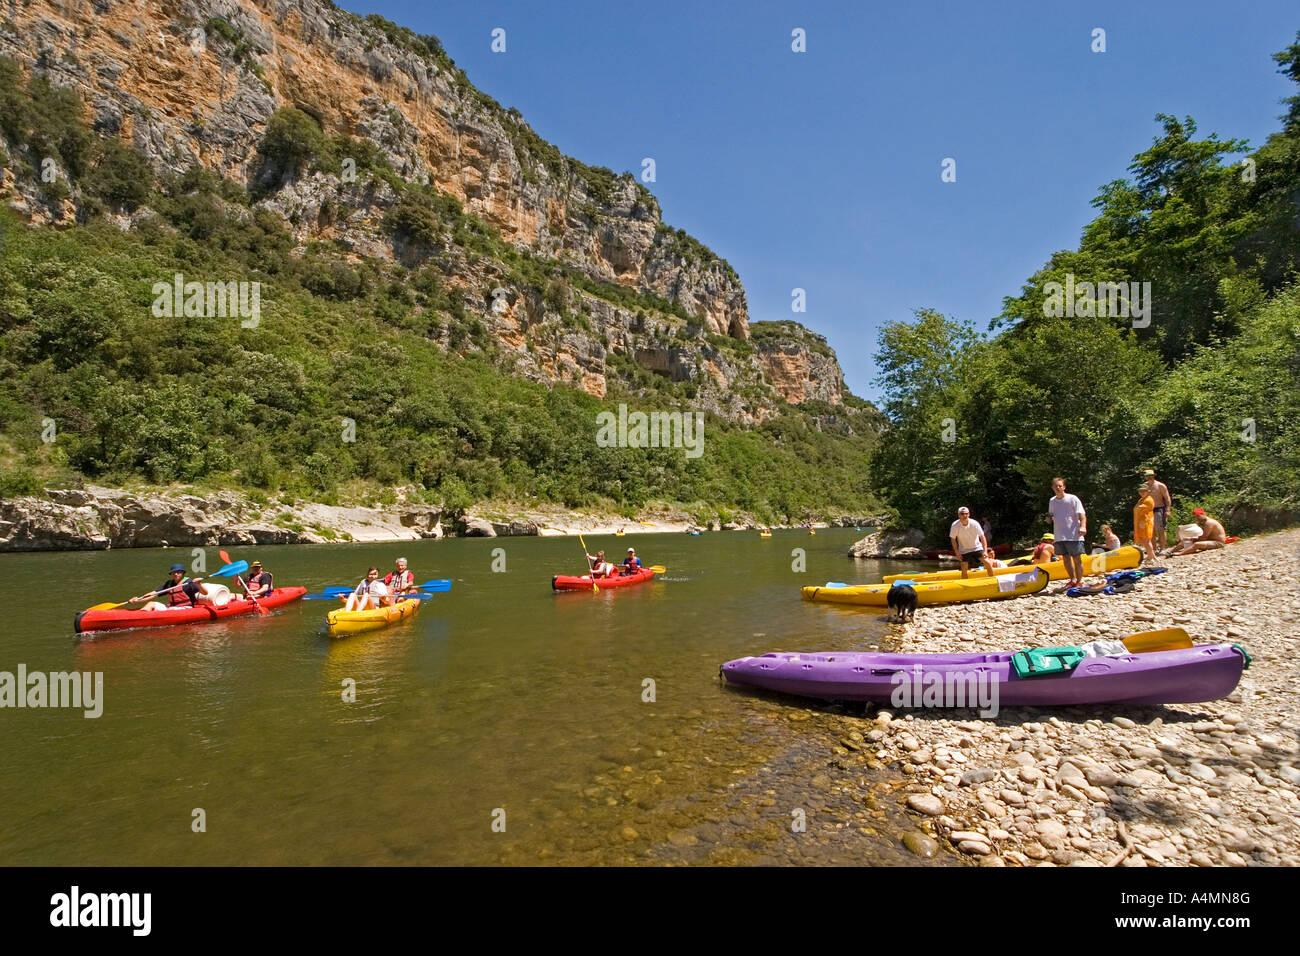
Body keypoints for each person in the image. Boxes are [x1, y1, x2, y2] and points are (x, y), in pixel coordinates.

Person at [1048, 477, 1087, 588]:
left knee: (1077, 558)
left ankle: (1079, 581)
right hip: (1059, 534)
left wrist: (1083, 527)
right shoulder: (1052, 501)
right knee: (1065, 558)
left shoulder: (1072, 499)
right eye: (1056, 486)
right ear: (1053, 488)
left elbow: (1082, 515)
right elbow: (1051, 514)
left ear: (1064, 487)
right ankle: (1072, 580)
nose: (1058, 488)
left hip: (1074, 534)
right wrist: (1048, 519)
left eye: (1060, 486)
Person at [131, 563, 206, 611]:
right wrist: (138, 600)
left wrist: (199, 584)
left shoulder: (188, 583)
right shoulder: (169, 584)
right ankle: (142, 617)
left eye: (178, 572)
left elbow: (205, 593)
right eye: (174, 572)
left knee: (171, 609)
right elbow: (153, 594)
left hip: (187, 608)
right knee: (151, 604)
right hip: (172, 607)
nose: (176, 574)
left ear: (182, 573)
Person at [949, 506, 995, 578]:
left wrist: (985, 551)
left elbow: (982, 537)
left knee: (987, 562)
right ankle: (965, 586)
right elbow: (953, 539)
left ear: (969, 514)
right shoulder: (955, 525)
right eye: (962, 514)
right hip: (964, 550)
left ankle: (993, 580)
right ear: (959, 515)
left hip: (977, 548)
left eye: (966, 514)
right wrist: (957, 553)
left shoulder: (974, 523)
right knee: (964, 568)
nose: (964, 516)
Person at [1143, 468, 1172, 551]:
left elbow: (1167, 498)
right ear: (1145, 477)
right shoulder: (1144, 486)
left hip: (1159, 509)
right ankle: (1154, 549)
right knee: (1151, 531)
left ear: (1153, 476)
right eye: (1147, 476)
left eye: (1150, 476)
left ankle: (1162, 548)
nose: (1149, 477)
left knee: (1161, 530)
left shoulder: (1160, 485)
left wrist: (1168, 509)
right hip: (1148, 510)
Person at [1132, 486, 1158, 563]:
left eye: (1144, 491)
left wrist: (1137, 508)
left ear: (1148, 491)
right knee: (1145, 540)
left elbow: (1140, 509)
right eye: (1140, 491)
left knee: (1146, 540)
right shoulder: (1141, 500)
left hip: (1146, 522)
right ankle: (1152, 556)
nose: (1142, 493)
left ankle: (1150, 557)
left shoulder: (1148, 500)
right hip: (1141, 522)